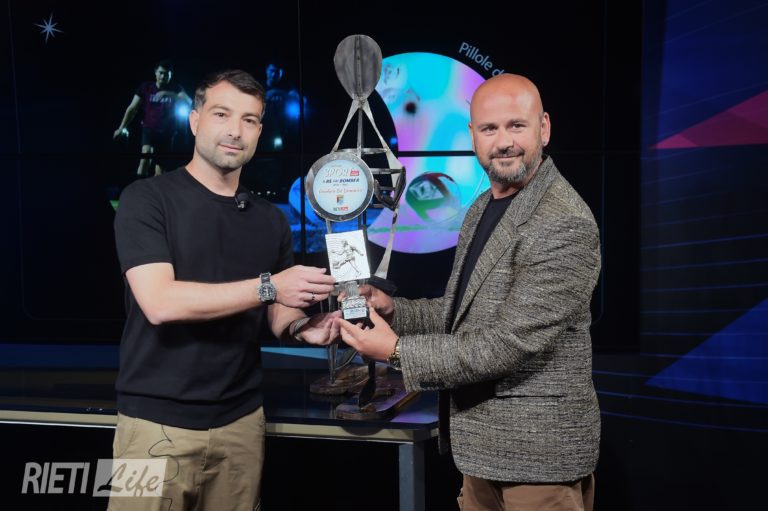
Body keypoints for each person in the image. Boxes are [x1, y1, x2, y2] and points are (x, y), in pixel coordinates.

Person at [338, 74, 601, 511]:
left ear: (544, 128)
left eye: (517, 125)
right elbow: (467, 313)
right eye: (490, 129)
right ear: (473, 136)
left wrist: (396, 351)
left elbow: (506, 343)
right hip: (481, 454)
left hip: (538, 464)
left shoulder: (563, 221)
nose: (504, 142)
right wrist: (395, 311)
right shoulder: (483, 206)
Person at [111, 69, 338, 511]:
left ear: (259, 132)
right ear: (195, 121)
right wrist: (270, 287)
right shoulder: (146, 199)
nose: (235, 130)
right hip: (154, 424)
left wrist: (301, 328)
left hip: (241, 425)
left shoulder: (270, 219)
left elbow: (276, 310)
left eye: (249, 120)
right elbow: (159, 303)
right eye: (222, 114)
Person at [113, 60, 192, 176]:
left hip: (167, 133)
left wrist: (167, 93)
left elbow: (189, 101)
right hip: (149, 129)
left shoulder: (175, 88)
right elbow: (132, 108)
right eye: (161, 73)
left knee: (160, 170)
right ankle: (140, 185)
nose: (163, 76)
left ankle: (154, 187)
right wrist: (121, 127)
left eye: (166, 74)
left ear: (170, 75)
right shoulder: (146, 87)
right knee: (146, 155)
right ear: (155, 72)